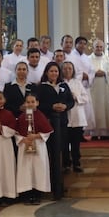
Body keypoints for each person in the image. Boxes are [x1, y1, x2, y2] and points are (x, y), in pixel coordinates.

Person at [36, 61, 75, 199]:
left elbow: (71, 101)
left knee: (61, 153)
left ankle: (60, 186)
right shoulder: (42, 87)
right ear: (47, 72)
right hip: (48, 123)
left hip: (62, 123)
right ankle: (50, 186)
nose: (54, 74)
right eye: (51, 71)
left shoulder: (64, 86)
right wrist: (52, 107)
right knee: (50, 154)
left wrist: (65, 106)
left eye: (56, 71)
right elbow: (39, 105)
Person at [15, 93, 53, 205]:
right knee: (25, 169)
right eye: (28, 102)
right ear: (24, 104)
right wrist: (23, 139)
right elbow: (16, 132)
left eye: (32, 102)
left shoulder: (41, 116)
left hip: (38, 145)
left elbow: (47, 132)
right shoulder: (22, 117)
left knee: (38, 169)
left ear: (37, 103)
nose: (30, 104)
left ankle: (37, 195)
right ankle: (27, 195)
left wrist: (35, 136)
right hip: (24, 145)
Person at [62, 61, 88, 173]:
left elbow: (85, 98)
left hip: (77, 116)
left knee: (75, 143)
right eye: (65, 68)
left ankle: (76, 163)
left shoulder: (77, 82)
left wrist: (76, 97)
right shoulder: (60, 83)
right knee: (64, 142)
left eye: (70, 68)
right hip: (65, 117)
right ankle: (66, 164)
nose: (68, 70)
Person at [89, 39, 109, 139]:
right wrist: (94, 73)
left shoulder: (108, 59)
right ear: (93, 47)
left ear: (103, 48)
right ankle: (94, 132)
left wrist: (105, 73)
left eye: (100, 47)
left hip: (105, 87)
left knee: (105, 108)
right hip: (93, 88)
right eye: (97, 47)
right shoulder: (88, 59)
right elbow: (86, 72)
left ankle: (105, 133)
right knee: (94, 108)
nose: (99, 49)